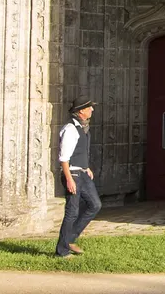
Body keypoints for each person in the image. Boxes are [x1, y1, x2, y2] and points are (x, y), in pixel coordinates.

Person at [54, 98, 101, 258]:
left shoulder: (82, 128)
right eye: (89, 108)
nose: (92, 110)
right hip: (72, 174)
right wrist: (69, 179)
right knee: (72, 212)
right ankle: (62, 251)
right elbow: (64, 158)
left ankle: (70, 239)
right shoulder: (70, 129)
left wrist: (86, 167)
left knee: (95, 205)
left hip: (81, 172)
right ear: (81, 110)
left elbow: (79, 152)